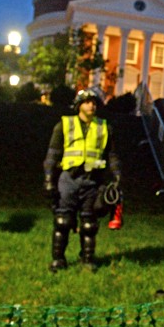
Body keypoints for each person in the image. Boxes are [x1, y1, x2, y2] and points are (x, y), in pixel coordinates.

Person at [43, 87, 122, 272]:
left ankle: (87, 259)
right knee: (62, 221)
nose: (91, 105)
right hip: (69, 179)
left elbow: (112, 154)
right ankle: (58, 259)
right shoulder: (64, 125)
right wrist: (48, 179)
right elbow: (52, 154)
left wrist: (117, 176)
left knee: (89, 224)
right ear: (79, 106)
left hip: (92, 181)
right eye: (87, 102)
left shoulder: (104, 127)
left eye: (94, 102)